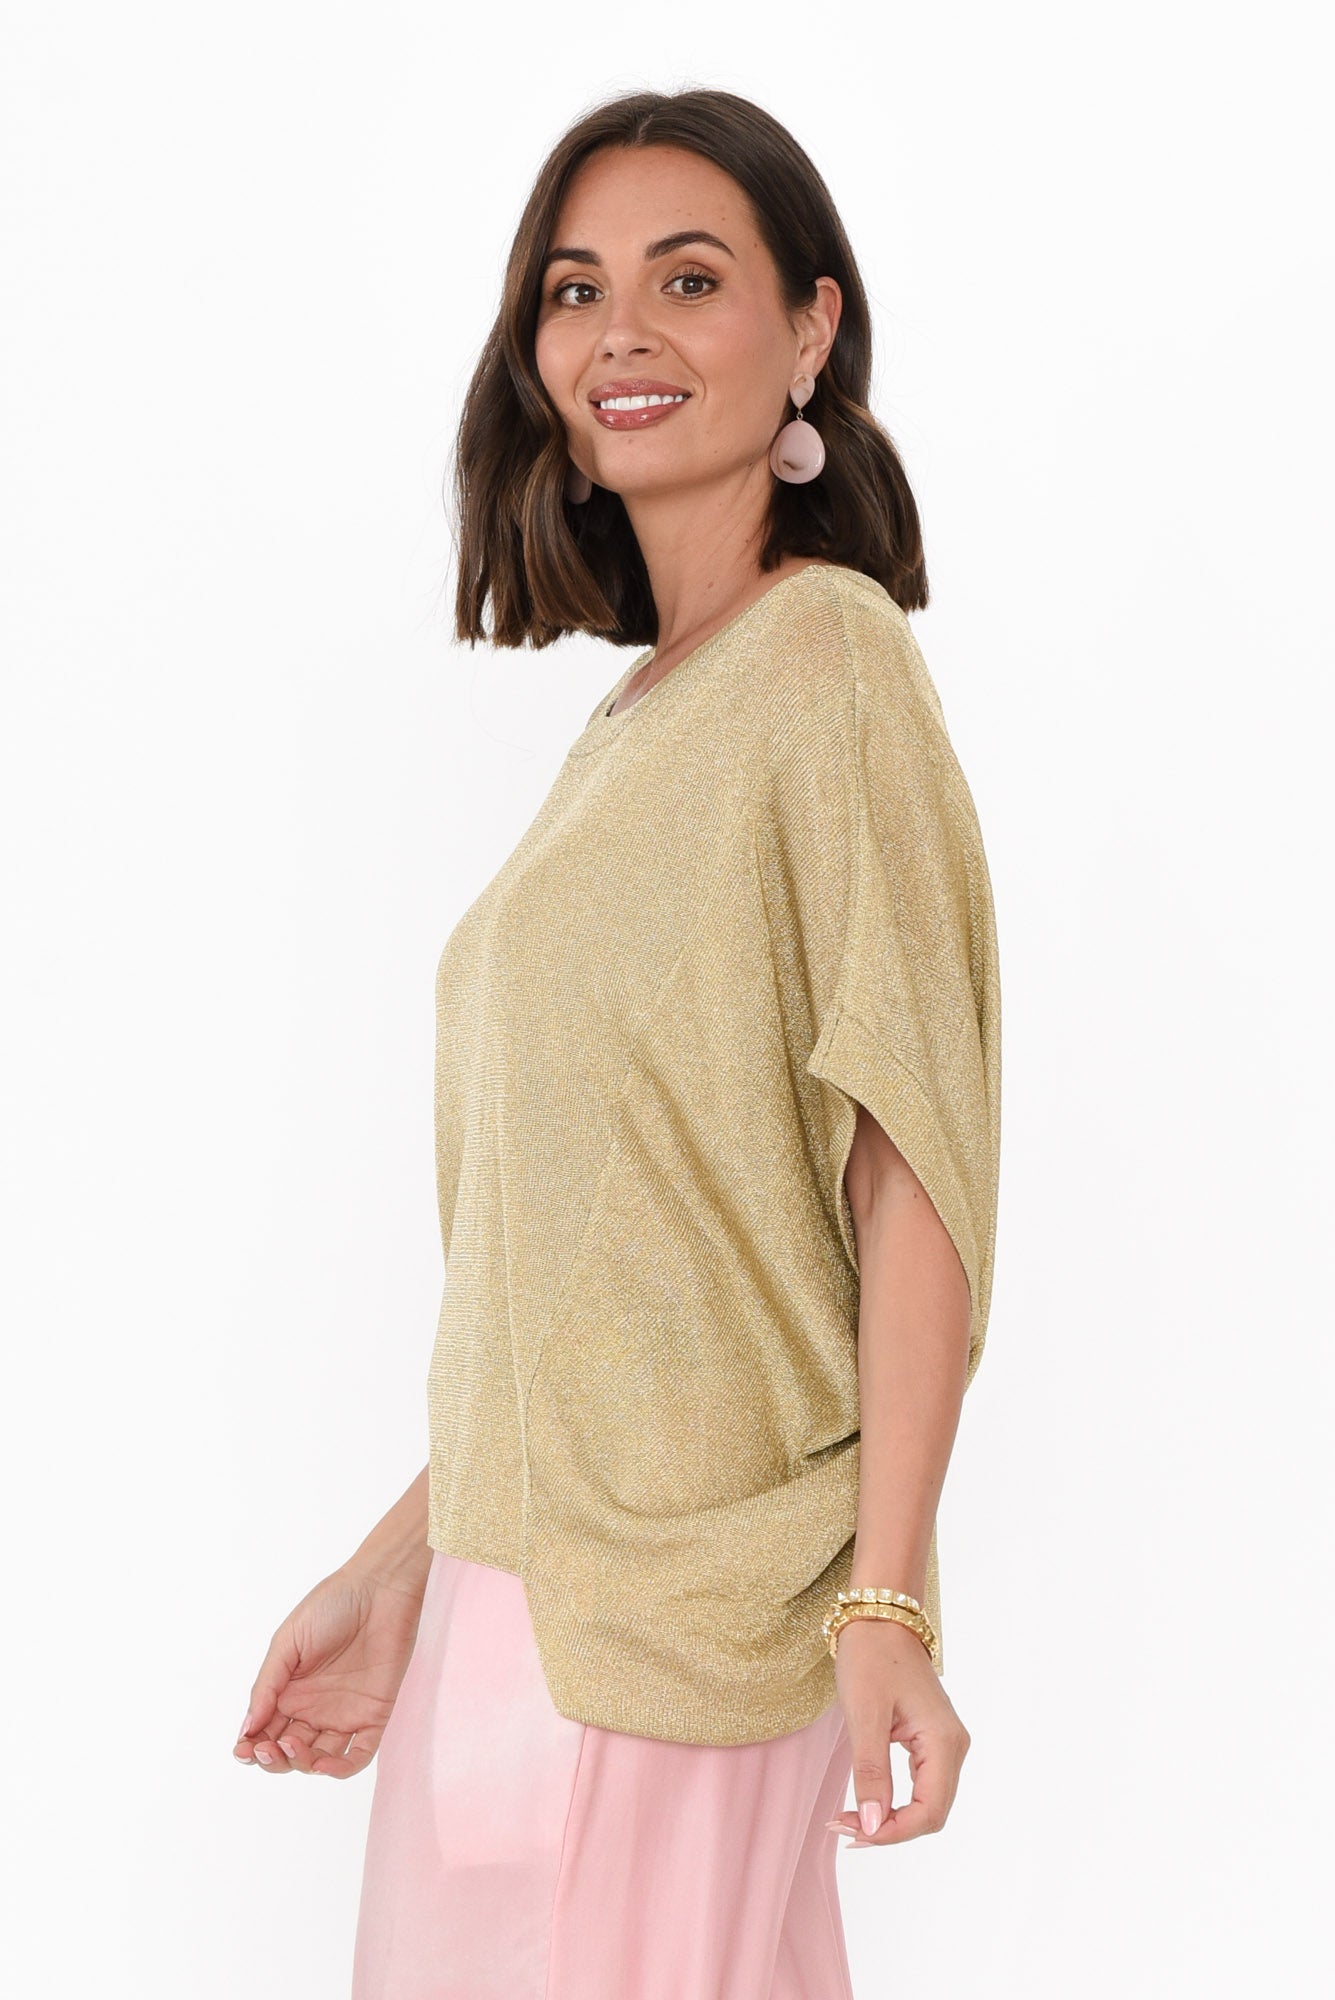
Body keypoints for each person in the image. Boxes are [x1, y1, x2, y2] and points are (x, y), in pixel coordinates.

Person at [231, 85, 1002, 2000]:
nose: (620, 333)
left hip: (683, 1627)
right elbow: (592, 1273)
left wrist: (891, 1598)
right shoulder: (635, 724)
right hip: (512, 1617)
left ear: (812, 328)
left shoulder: (831, 663)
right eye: (576, 290)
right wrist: (403, 1566)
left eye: (690, 278)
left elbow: (911, 1162)